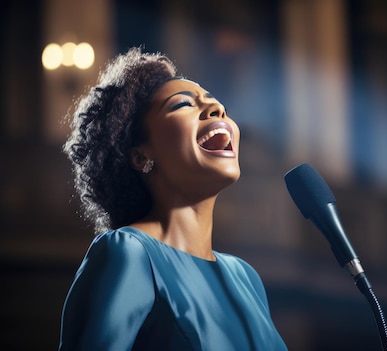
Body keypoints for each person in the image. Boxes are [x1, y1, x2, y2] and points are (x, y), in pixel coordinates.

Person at [58, 47, 288, 351]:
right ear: (141, 156)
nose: (216, 108)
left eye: (216, 105)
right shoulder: (129, 253)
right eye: (183, 104)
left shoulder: (246, 278)